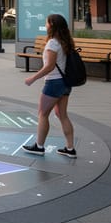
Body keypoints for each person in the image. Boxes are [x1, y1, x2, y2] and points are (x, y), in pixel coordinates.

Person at [22, 14, 77, 158]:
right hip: (65, 83)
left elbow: (49, 66)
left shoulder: (53, 43)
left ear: (52, 25)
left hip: (54, 82)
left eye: (46, 23)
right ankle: (70, 148)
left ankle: (39, 146)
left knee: (43, 114)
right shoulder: (65, 41)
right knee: (62, 114)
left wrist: (32, 78)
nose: (45, 25)